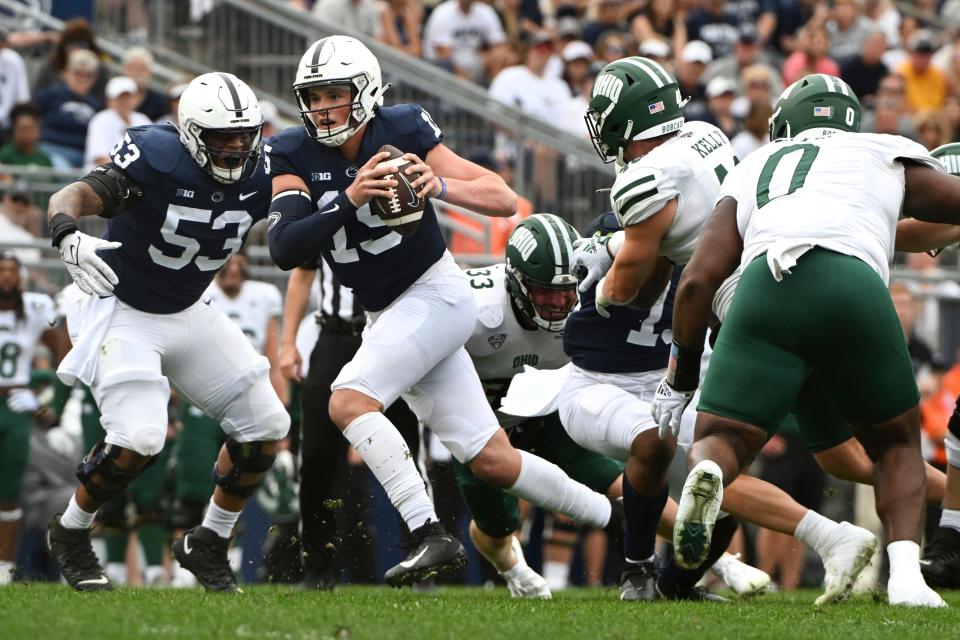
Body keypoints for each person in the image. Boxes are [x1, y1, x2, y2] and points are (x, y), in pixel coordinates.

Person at [266, 35, 620, 588]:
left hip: (437, 293)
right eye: (313, 96)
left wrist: (441, 184)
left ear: (364, 93)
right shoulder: (293, 151)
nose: (321, 108)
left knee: (347, 399)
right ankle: (620, 521)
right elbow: (285, 247)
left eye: (334, 94)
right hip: (387, 314)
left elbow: (503, 197)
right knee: (493, 461)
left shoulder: (402, 129)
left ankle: (427, 532)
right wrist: (350, 197)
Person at [655, 73, 955, 607]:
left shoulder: (754, 165)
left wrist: (679, 381)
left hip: (764, 289)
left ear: (785, 122)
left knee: (724, 435)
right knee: (894, 444)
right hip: (850, 281)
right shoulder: (880, 149)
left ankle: (711, 471)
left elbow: (700, 279)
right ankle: (907, 575)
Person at [44, 72, 289, 593]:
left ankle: (208, 542)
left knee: (266, 424)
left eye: (244, 134)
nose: (236, 147)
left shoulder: (265, 166)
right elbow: (73, 195)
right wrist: (67, 234)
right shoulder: (157, 157)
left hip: (188, 306)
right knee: (140, 438)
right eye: (222, 136)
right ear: (191, 132)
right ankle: (69, 532)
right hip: (124, 307)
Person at [278, 255, 426, 590]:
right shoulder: (325, 207)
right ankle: (318, 566)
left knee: (408, 450)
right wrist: (287, 343)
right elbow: (302, 273)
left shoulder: (400, 203)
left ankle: (422, 559)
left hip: (390, 337)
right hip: (336, 336)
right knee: (315, 456)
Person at [168, 253, 287, 586]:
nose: (233, 270)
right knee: (190, 487)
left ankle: (223, 556)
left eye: (239, 265)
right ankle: (186, 564)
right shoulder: (196, 289)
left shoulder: (263, 297)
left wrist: (282, 407)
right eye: (227, 265)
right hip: (199, 401)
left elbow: (274, 358)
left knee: (239, 475)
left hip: (246, 397)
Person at [0, 252, 65, 584]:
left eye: (13, 271)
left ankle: (3, 569)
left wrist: (41, 400)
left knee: (10, 493)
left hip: (14, 406)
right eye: (2, 271)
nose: (7, 277)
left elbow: (66, 360)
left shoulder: (35, 310)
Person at [84, 76, 152, 168]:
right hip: (103, 176)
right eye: (120, 97)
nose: (124, 101)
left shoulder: (143, 119)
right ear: (109, 100)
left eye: (128, 96)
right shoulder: (101, 119)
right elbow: (100, 158)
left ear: (135, 98)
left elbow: (152, 153)